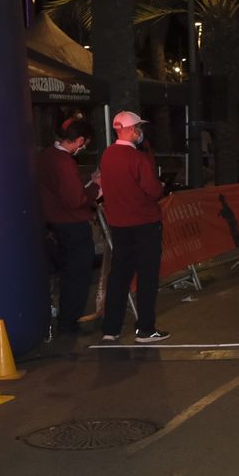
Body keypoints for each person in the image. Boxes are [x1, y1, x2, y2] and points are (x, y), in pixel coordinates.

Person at [98, 111, 171, 343]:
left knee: (119, 276)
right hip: (144, 224)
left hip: (119, 225)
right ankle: (145, 328)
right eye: (138, 127)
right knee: (147, 278)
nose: (140, 132)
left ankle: (111, 329)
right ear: (131, 130)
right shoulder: (137, 158)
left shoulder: (107, 155)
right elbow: (154, 191)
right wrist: (160, 186)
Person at [37, 116, 96, 340]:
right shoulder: (64, 162)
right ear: (79, 140)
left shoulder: (47, 156)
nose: (84, 148)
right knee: (78, 275)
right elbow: (75, 199)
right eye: (85, 144)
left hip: (57, 223)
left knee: (68, 273)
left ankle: (66, 319)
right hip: (73, 224)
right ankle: (69, 322)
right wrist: (96, 188)